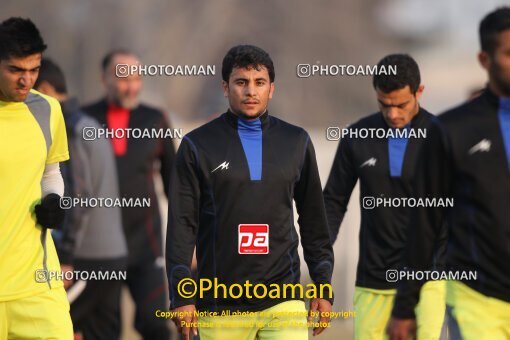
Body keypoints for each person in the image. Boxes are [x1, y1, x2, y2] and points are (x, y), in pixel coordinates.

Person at [166, 44, 334, 340]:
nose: (250, 91)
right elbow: (182, 225)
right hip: (220, 303)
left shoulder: (296, 141)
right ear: (225, 87)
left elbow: (313, 221)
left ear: (272, 88)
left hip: (284, 299)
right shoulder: (197, 146)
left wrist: (322, 285)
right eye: (241, 82)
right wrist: (181, 295)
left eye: (259, 83)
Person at [387, 7, 510, 340]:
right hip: (478, 298)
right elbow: (425, 220)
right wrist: (404, 306)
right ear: (485, 59)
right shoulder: (452, 129)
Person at [323, 54, 447, 340]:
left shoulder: (445, 137)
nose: (392, 114)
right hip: (372, 281)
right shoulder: (356, 136)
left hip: (428, 281)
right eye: (384, 104)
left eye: (401, 105)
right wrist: (321, 261)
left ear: (419, 92)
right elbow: (332, 203)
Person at [83, 49, 175, 339]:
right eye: (122, 78)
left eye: (136, 78)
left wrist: (192, 238)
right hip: (98, 247)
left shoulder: (155, 119)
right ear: (104, 79)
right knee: (103, 331)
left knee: (155, 324)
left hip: (145, 243)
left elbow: (175, 183)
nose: (131, 85)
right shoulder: (82, 119)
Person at [35, 58, 128, 340]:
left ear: (47, 89)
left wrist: (66, 256)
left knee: (50, 328)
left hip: (87, 260)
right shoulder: (89, 124)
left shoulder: (70, 130)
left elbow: (78, 198)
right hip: (112, 257)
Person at [0, 17, 73, 339]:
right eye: (16, 70)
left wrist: (53, 199)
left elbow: (51, 171)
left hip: (37, 284)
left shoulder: (47, 110)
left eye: (34, 69)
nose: (26, 80)